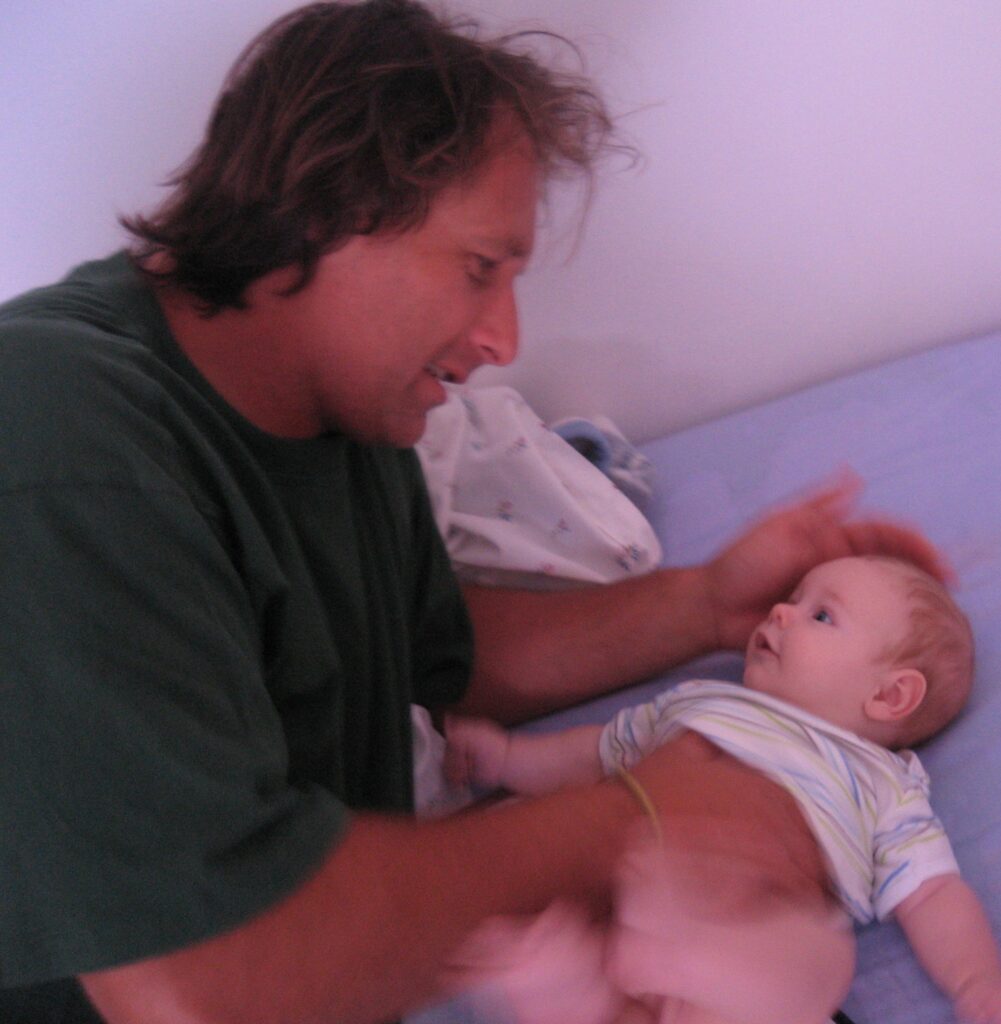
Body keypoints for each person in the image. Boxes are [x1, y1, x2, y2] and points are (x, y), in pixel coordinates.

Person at [0, 2, 951, 1022]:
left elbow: (438, 654)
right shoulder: (61, 441)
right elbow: (205, 983)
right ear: (325, 211)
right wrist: (646, 819)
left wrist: (705, 605)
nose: (503, 338)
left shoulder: (344, 412)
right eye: (479, 269)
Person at [445, 555, 1001, 1024]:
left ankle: (639, 977)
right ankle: (571, 988)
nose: (781, 611)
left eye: (822, 615)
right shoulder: (700, 700)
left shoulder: (882, 783)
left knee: (820, 959)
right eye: (792, 598)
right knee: (542, 892)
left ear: (889, 696)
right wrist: (509, 758)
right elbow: (597, 751)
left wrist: (975, 980)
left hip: (746, 928)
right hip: (620, 879)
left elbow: (932, 894)